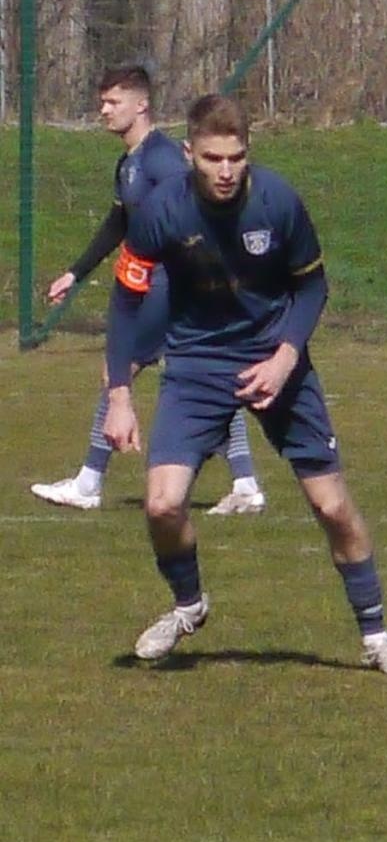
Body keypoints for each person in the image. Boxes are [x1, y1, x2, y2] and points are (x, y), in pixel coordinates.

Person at [102, 94, 387, 672]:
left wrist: (286, 357)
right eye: (213, 158)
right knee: (163, 505)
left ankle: (375, 636)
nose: (225, 171)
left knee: (332, 506)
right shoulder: (160, 209)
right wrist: (120, 395)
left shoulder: (278, 200)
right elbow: (125, 300)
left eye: (236, 158)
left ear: (249, 154)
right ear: (189, 152)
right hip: (195, 364)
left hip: (276, 361)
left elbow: (312, 287)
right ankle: (189, 606)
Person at [31, 64, 266, 516]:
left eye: (112, 102)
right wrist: (75, 273)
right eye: (102, 101)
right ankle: (246, 483)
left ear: (141, 105)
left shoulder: (161, 160)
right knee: (204, 377)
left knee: (118, 371)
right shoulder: (131, 163)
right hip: (161, 287)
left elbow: (195, 213)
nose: (103, 110)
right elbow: (119, 222)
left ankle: (89, 481)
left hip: (169, 287)